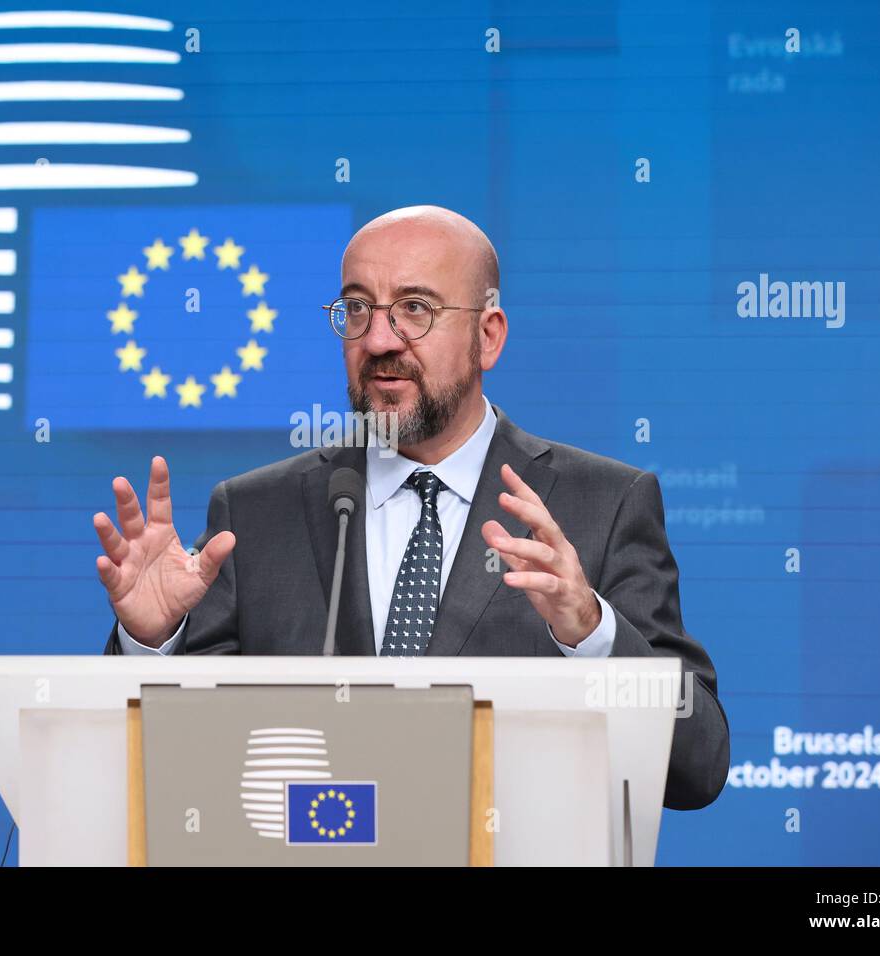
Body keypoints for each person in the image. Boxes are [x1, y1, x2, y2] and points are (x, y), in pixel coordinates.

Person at [93, 205, 728, 810]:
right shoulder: (255, 513)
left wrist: (593, 633)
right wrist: (152, 643)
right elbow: (163, 763)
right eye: (358, 308)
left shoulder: (603, 504)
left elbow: (697, 768)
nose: (376, 340)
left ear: (488, 336)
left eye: (414, 309)